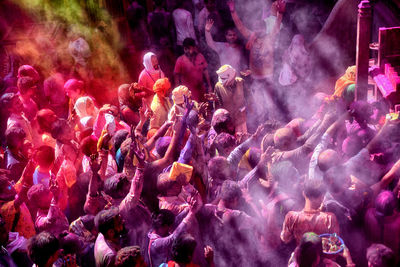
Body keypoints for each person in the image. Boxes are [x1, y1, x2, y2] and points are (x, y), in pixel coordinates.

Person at [281, 179, 340, 245]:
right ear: (322, 197)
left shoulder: (292, 217)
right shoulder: (329, 218)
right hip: (322, 255)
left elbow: (285, 238)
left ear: (304, 194)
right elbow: (335, 243)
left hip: (301, 254)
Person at [174, 38, 211, 102]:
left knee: (204, 107)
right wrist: (178, 92)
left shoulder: (200, 56)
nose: (187, 50)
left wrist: (209, 85)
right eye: (185, 48)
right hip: (189, 92)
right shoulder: (180, 60)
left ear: (194, 48)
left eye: (189, 48)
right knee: (194, 109)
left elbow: (205, 71)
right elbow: (176, 76)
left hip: (201, 89)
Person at [214, 64, 247, 134]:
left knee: (244, 136)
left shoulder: (241, 82)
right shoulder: (218, 87)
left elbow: (249, 98)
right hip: (229, 122)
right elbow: (218, 106)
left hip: (242, 118)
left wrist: (244, 108)